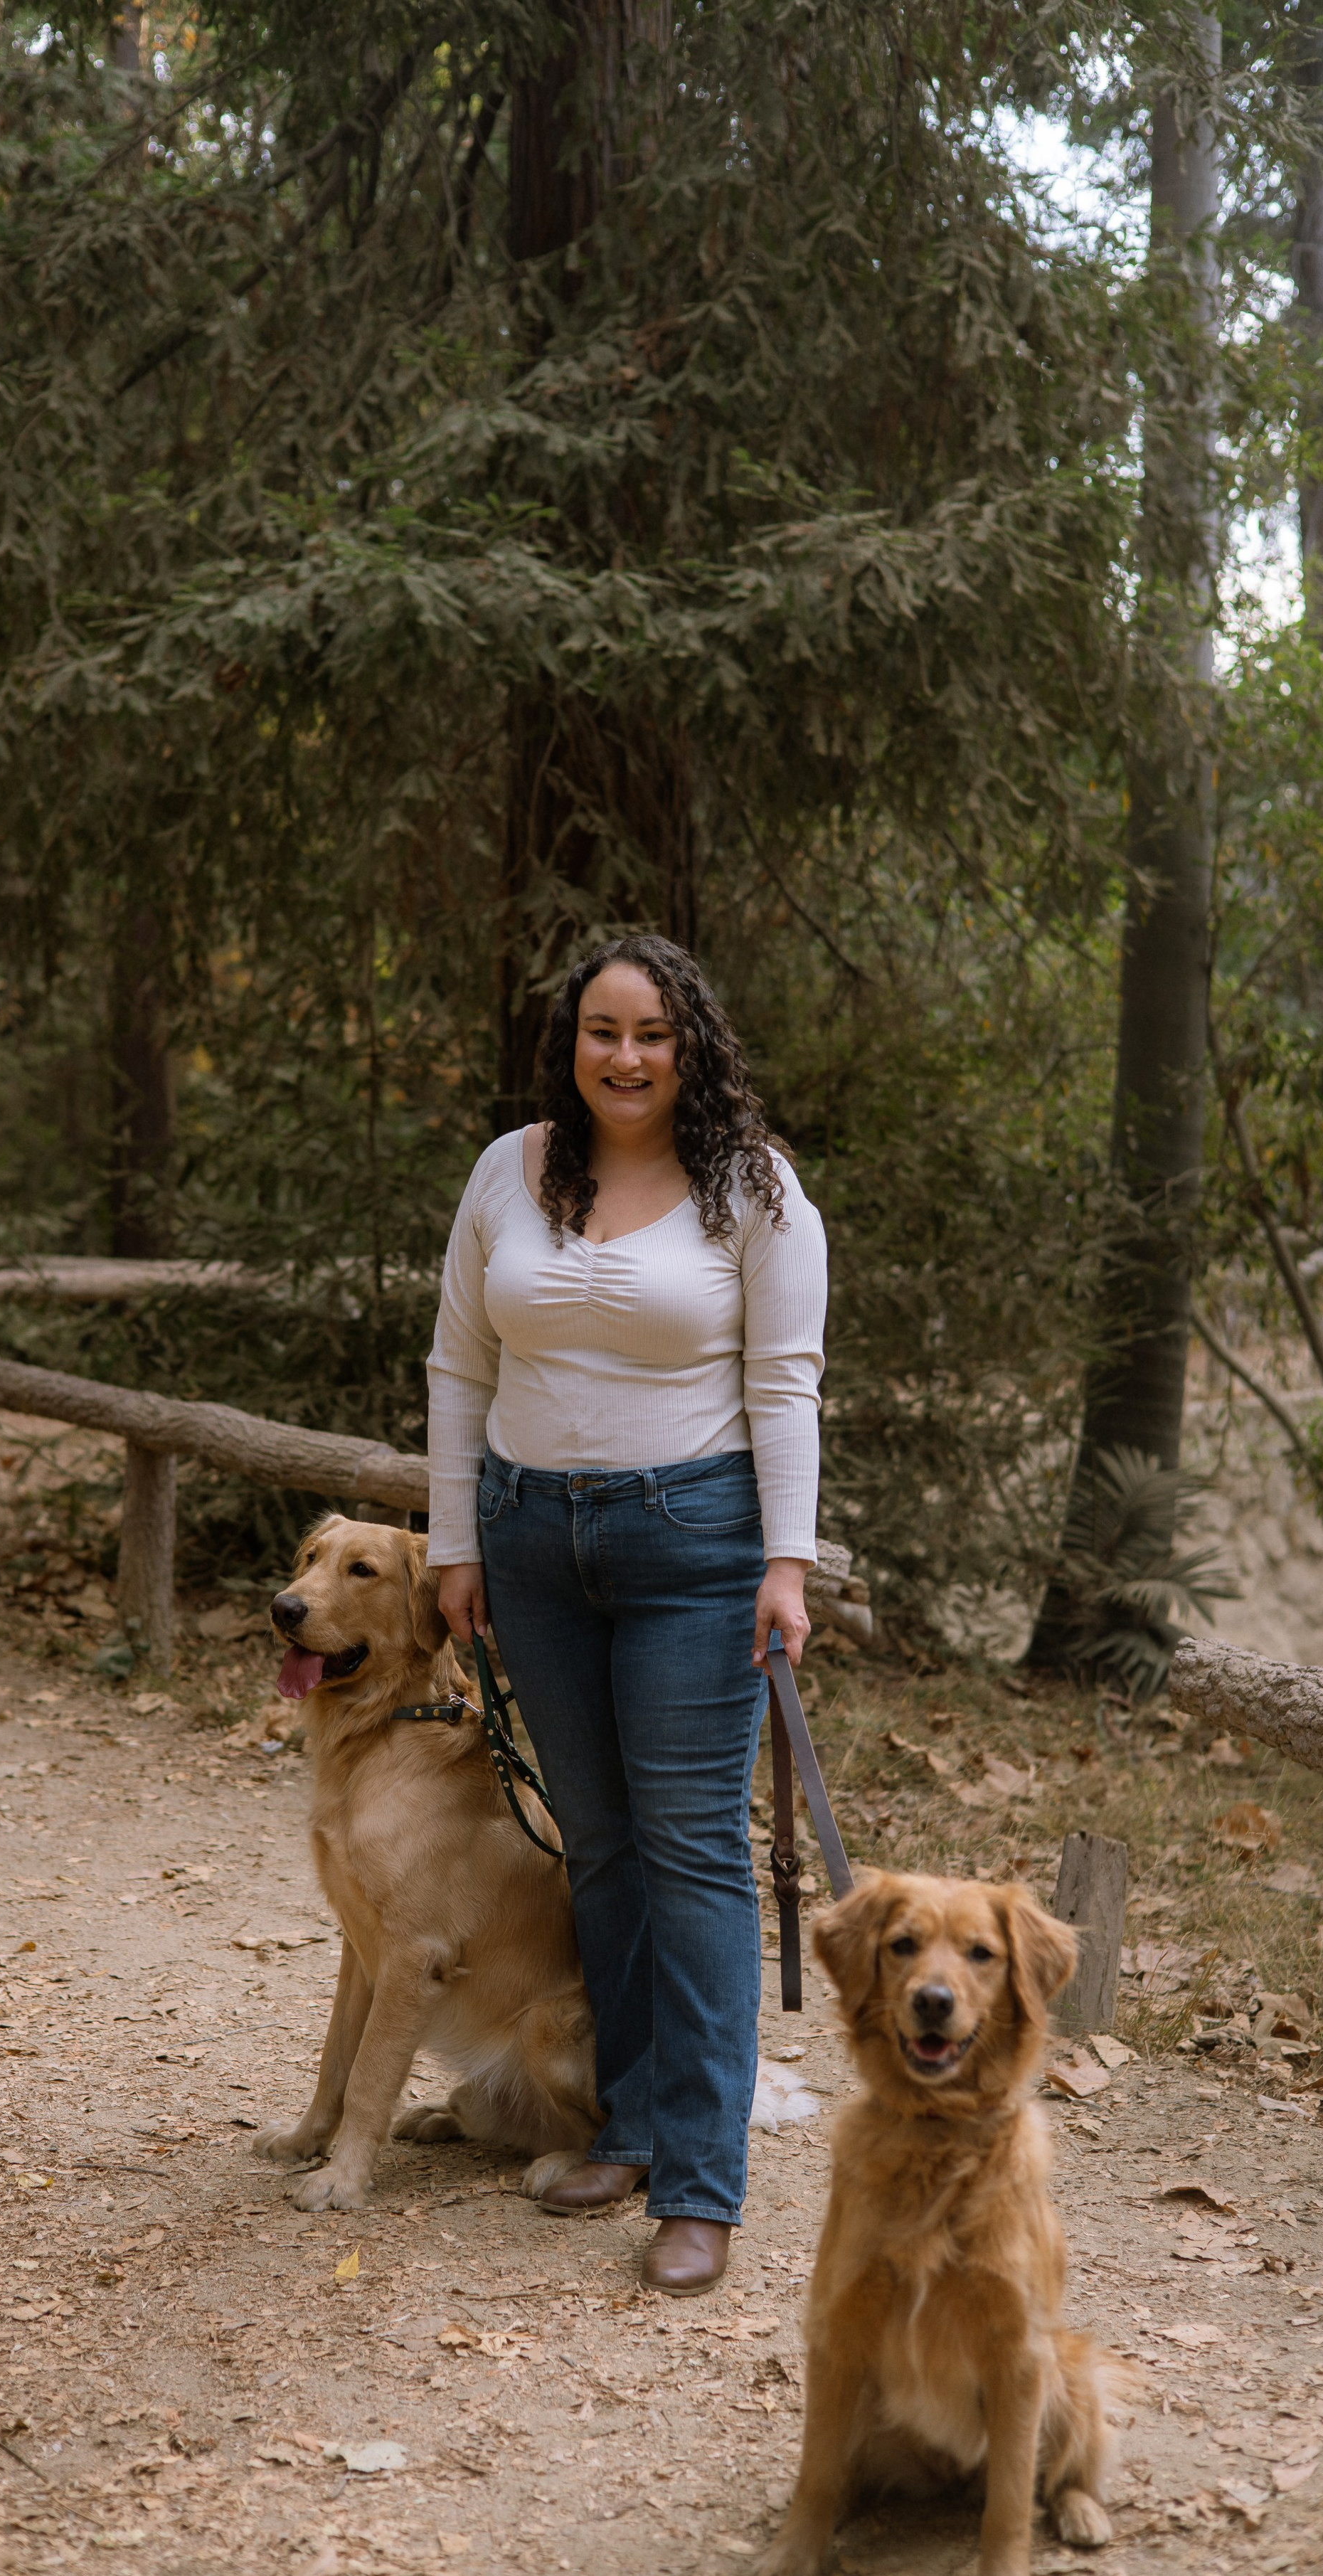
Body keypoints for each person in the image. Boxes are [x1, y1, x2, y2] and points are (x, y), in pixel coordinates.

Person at [425, 935, 827, 2296]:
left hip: (692, 1543)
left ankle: (702, 2178)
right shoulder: (511, 1170)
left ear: (691, 1044)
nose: (626, 1055)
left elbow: (785, 1386)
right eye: (603, 1030)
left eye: (652, 1032)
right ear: (573, 1043)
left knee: (694, 1847)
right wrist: (456, 1538)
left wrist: (787, 1561)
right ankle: (635, 2119)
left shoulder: (754, 1191)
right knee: (599, 1843)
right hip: (531, 1539)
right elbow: (456, 1363)